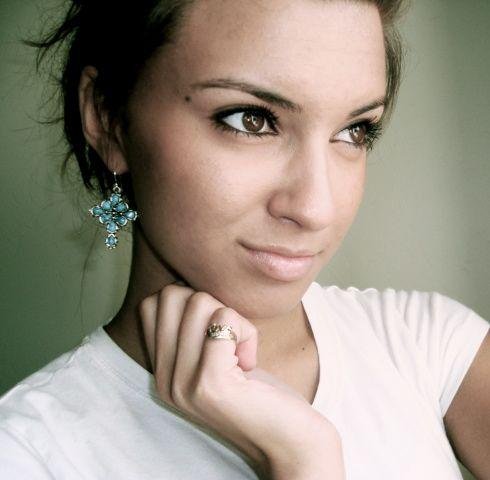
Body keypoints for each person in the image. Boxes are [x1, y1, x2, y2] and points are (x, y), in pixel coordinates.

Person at [0, 0, 489, 479]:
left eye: (354, 131)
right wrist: (300, 459)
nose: (315, 209)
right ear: (107, 117)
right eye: (250, 120)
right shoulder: (28, 452)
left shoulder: (430, 346)